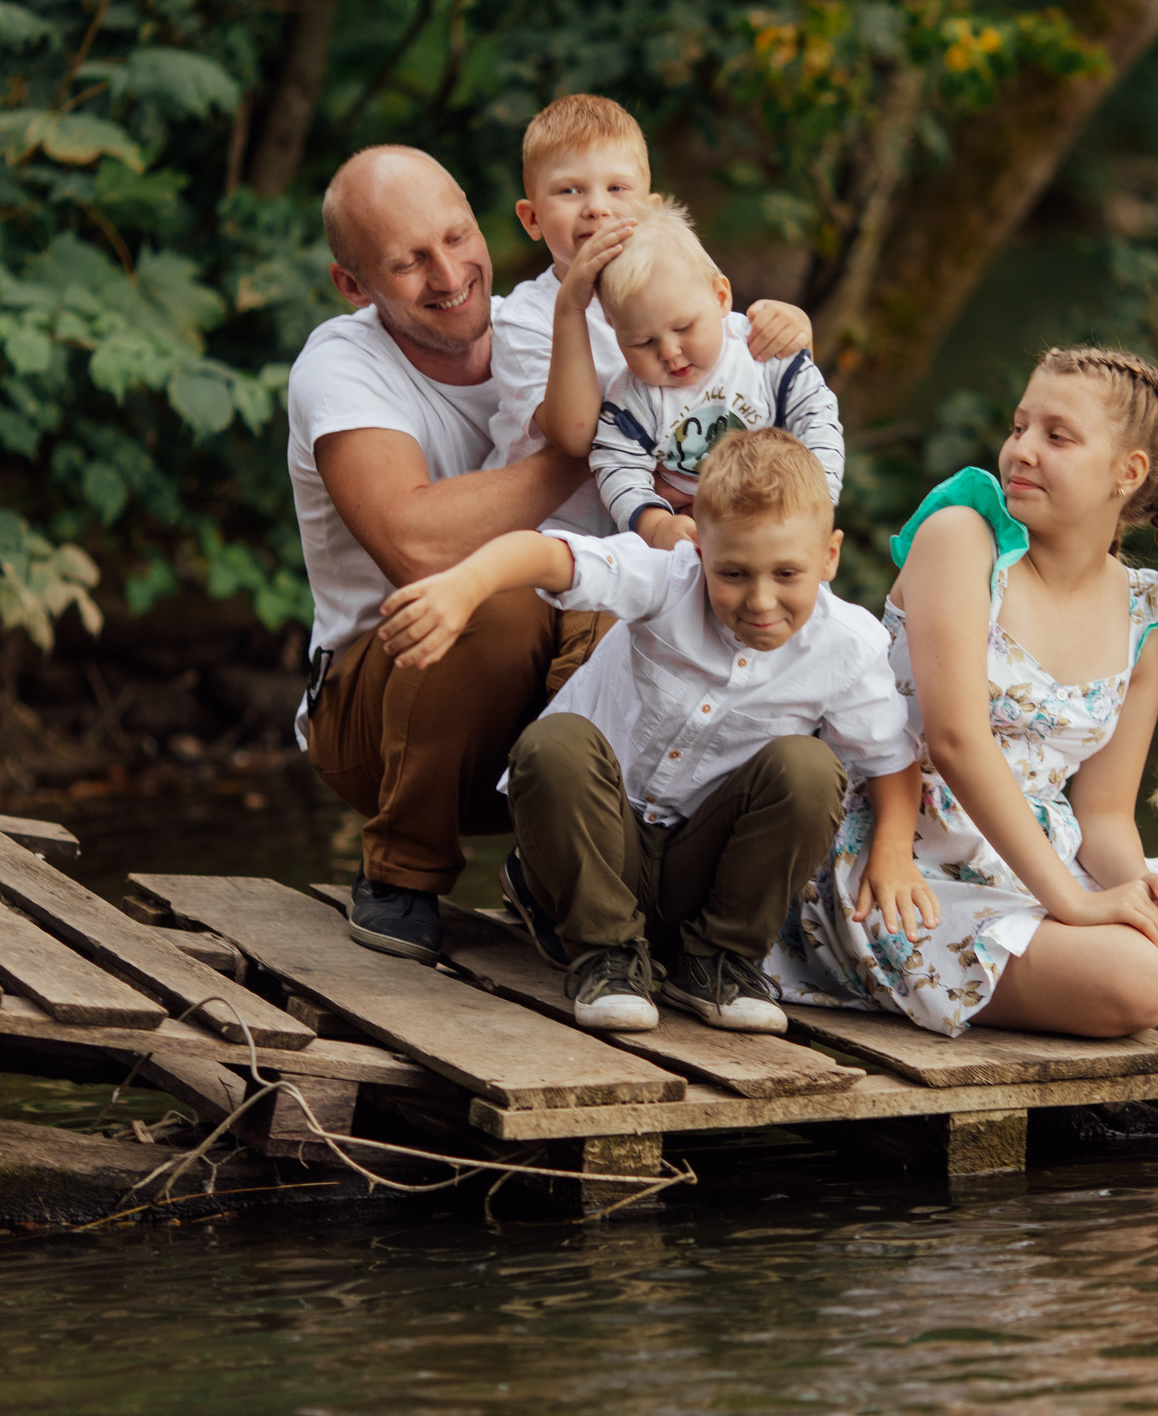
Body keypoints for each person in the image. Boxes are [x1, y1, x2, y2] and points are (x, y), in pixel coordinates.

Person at [288, 143, 810, 965]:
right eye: (408, 262)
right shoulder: (343, 365)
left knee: (673, 614)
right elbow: (415, 546)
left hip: (578, 654)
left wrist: (781, 334)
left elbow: (721, 356)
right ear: (355, 285)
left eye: (457, 238)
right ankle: (401, 871)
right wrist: (598, 444)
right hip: (385, 705)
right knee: (499, 595)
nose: (449, 271)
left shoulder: (575, 321)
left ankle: (617, 891)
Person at [767, 346, 1158, 1038]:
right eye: (1020, 426)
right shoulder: (962, 538)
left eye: (1057, 435)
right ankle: (1055, 964)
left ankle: (1082, 957)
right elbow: (957, 743)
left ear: (1128, 471)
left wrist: (1138, 891)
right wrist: (1077, 908)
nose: (1022, 450)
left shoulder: (1148, 613)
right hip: (911, 871)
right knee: (1141, 984)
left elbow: (1104, 814)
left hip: (1051, 868)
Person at [371, 430, 921, 1034]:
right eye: (733, 573)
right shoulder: (666, 579)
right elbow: (553, 555)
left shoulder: (849, 645)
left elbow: (888, 756)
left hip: (701, 865)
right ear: (699, 550)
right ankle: (603, 953)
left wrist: (893, 852)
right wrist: (465, 584)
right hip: (603, 842)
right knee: (554, 744)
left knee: (810, 769)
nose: (761, 601)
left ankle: (716, 962)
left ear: (829, 557)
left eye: (787, 574)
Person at [486, 94, 811, 536]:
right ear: (532, 219)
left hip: (668, 531)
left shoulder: (679, 286)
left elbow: (748, 370)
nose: (596, 207)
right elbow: (577, 435)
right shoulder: (525, 317)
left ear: (652, 211)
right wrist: (572, 308)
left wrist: (792, 330)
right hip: (560, 537)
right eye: (569, 190)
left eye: (617, 189)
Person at [539, 194, 845, 551]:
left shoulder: (759, 350)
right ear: (614, 331)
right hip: (691, 538)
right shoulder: (632, 399)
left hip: (780, 517)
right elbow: (617, 466)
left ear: (720, 298)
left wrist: (817, 498)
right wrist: (655, 524)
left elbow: (817, 414)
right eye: (642, 342)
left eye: (684, 327)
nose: (669, 352)